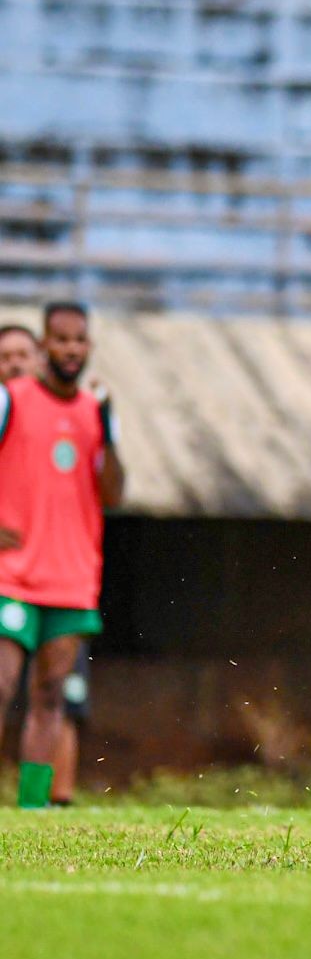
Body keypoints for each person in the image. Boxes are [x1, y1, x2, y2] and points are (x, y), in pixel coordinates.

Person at [0, 302, 124, 808]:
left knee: (51, 696)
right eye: (61, 339)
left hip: (71, 578)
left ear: (88, 346)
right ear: (43, 345)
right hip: (12, 575)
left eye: (79, 340)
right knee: (1, 685)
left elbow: (113, 493)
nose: (71, 349)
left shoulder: (95, 412)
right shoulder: (10, 400)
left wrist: (108, 431)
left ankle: (32, 806)